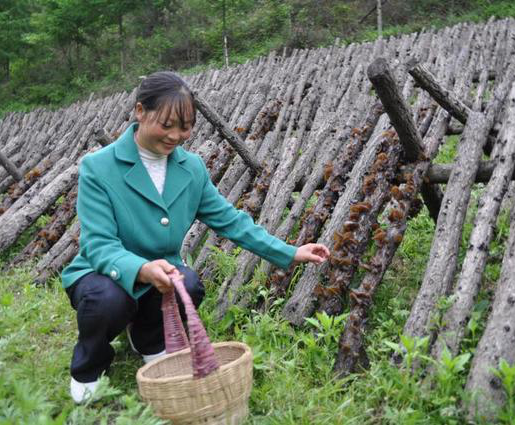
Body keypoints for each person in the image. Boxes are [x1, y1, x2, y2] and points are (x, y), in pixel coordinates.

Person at [61, 71, 330, 403]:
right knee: (108, 300)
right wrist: (142, 269)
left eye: (185, 126)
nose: (176, 135)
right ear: (140, 111)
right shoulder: (98, 168)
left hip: (163, 272)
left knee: (188, 284)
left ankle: (148, 338)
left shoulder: (191, 168)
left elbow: (231, 221)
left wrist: (288, 252)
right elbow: (98, 244)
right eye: (167, 124)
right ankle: (90, 364)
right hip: (102, 271)